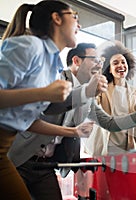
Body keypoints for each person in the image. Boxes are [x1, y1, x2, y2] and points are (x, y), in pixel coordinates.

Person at [8, 42, 136, 200]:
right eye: (95, 60)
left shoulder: (89, 96)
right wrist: (85, 94)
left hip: (45, 166)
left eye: (100, 61)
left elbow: (109, 123)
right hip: (19, 159)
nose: (99, 65)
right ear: (77, 61)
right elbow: (50, 107)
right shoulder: (54, 79)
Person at [0, 1, 94, 199]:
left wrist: (73, 130)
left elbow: (28, 121)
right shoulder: (30, 45)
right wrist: (43, 93)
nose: (79, 25)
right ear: (57, 18)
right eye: (74, 16)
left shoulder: (52, 64)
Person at [97, 41, 136, 154]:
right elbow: (91, 103)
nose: (120, 65)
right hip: (106, 145)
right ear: (109, 69)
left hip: (126, 147)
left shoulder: (135, 93)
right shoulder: (102, 90)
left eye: (123, 62)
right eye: (115, 63)